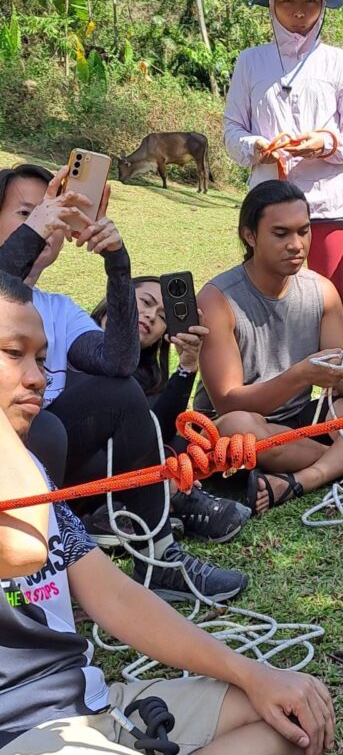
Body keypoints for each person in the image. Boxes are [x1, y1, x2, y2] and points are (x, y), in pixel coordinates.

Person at [0, 269, 335, 755]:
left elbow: (115, 596)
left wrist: (253, 673)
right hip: (20, 736)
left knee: (295, 720)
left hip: (95, 709)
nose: (38, 377)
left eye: (43, 359)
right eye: (14, 354)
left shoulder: (29, 467)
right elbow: (21, 549)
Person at [0, 163, 246, 602]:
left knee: (117, 394)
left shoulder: (57, 309)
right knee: (46, 430)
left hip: (55, 463)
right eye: (27, 213)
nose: (46, 223)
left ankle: (159, 559)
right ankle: (41, 575)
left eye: (54, 213)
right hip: (15, 457)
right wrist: (35, 230)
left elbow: (117, 362)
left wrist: (118, 265)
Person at [196, 180, 343, 516]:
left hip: (305, 422)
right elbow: (227, 401)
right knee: (239, 428)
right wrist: (300, 375)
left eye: (303, 231)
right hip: (246, 423)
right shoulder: (218, 299)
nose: (297, 245)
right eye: (281, 234)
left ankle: (299, 480)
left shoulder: (320, 290)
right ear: (250, 236)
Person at [224, 0, 343, 318]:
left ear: (322, 4)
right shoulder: (250, 62)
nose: (299, 11)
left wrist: (326, 143)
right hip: (267, 207)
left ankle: (334, 373)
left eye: (310, 0)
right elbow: (231, 131)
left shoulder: (338, 62)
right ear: (271, 4)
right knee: (272, 307)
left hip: (327, 208)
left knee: (327, 306)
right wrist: (255, 146)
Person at [90, 275, 251, 543]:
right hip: (76, 466)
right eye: (145, 302)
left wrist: (188, 364)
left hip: (124, 471)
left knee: (182, 438)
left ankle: (130, 512)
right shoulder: (76, 340)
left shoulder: (145, 375)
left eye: (163, 316)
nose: (151, 316)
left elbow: (154, 430)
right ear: (117, 296)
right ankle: (169, 499)